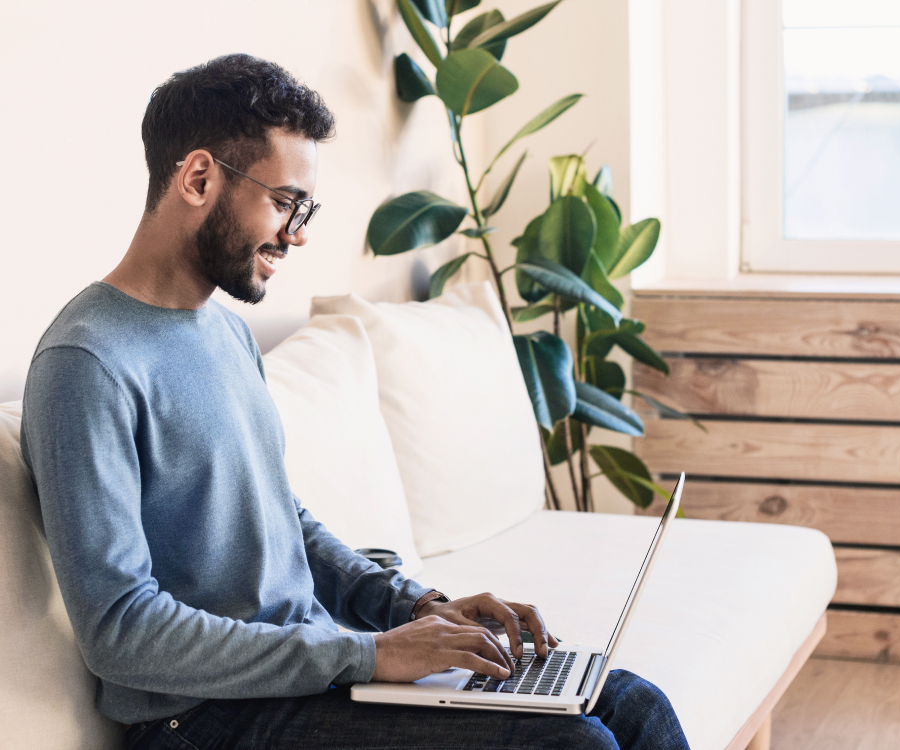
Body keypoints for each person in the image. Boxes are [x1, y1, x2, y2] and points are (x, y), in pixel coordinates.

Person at [20, 54, 690, 750]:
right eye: (284, 202)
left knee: (632, 703)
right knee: (574, 744)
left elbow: (283, 520)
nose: (298, 232)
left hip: (308, 676)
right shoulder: (87, 363)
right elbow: (121, 631)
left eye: (303, 208)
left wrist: (417, 609)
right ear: (198, 178)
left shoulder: (223, 331)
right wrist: (371, 656)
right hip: (204, 719)